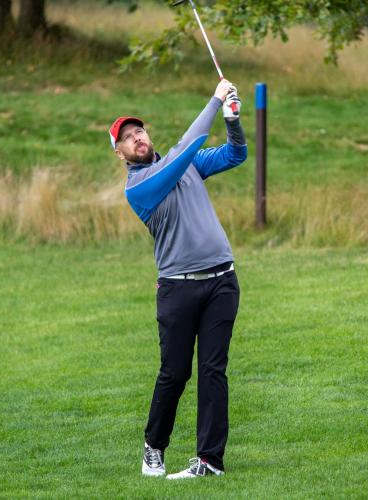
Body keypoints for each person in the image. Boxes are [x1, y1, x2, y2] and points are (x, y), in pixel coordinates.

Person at [108, 79, 247, 480]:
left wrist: (232, 120)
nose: (136, 138)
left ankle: (210, 460)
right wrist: (215, 100)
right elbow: (187, 148)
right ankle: (154, 446)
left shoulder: (186, 164)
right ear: (119, 153)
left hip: (222, 281)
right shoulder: (139, 187)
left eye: (139, 131)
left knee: (213, 370)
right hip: (177, 287)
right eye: (127, 138)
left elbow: (236, 154)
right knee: (175, 372)